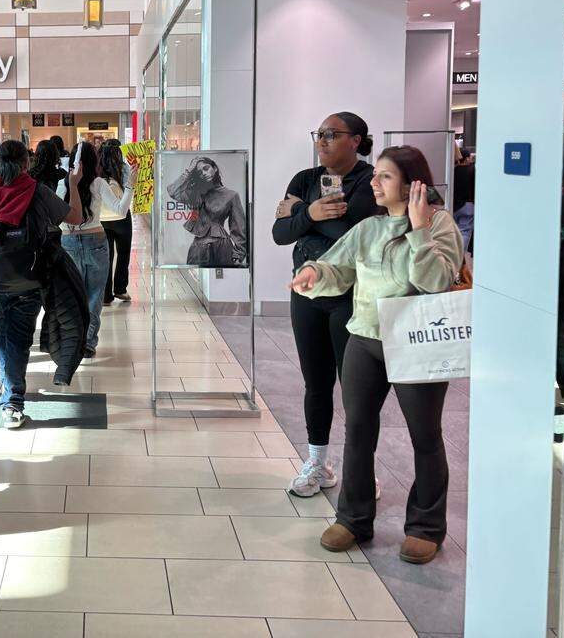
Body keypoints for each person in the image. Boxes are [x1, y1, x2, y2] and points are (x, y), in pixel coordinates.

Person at [290, 146, 463, 565]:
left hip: (415, 342)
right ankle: (353, 519)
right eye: (377, 175)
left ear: (413, 184)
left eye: (384, 176)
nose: (374, 182)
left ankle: (425, 527)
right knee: (359, 433)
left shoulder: (440, 226)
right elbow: (338, 268)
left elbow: (436, 281)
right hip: (365, 339)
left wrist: (419, 231)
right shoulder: (369, 227)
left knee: (425, 436)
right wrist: (315, 273)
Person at [272, 112, 377, 499]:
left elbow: (355, 232)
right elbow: (280, 233)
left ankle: (363, 471)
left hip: (352, 297)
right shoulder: (304, 180)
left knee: (357, 389)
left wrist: (303, 216)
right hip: (307, 296)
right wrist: (312, 213)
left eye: (332, 134)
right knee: (316, 383)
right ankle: (317, 462)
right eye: (320, 134)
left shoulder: (370, 181)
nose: (323, 141)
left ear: (356, 140)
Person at [0, 140, 85, 427]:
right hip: (30, 277)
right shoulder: (36, 190)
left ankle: (11, 400)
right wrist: (74, 184)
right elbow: (75, 217)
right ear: (26, 164)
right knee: (17, 339)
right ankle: (12, 402)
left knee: (7, 336)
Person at [64, 141, 135, 356]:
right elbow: (121, 211)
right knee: (94, 296)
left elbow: (56, 216)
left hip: (69, 243)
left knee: (74, 294)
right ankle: (88, 342)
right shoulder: (98, 184)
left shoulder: (63, 183)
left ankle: (73, 339)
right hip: (95, 239)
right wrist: (130, 184)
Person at [168, 156, 247, 266]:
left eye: (206, 168)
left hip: (222, 247)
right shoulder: (196, 194)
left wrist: (238, 255)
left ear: (214, 168)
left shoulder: (231, 195)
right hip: (198, 248)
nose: (204, 173)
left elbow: (239, 228)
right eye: (200, 172)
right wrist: (189, 171)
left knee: (223, 280)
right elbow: (173, 191)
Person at [98, 143, 134, 305]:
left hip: (102, 219)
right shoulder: (124, 169)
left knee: (107, 256)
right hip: (122, 218)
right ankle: (120, 290)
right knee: (124, 253)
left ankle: (105, 296)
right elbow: (131, 189)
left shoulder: (97, 170)